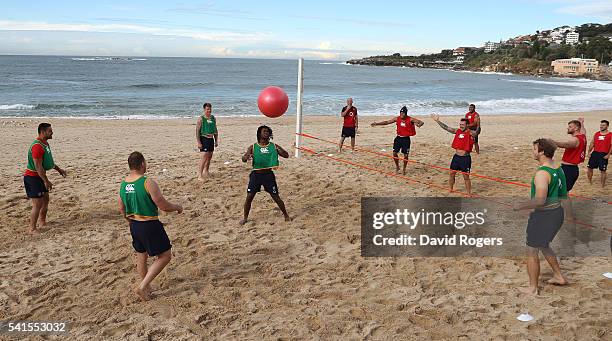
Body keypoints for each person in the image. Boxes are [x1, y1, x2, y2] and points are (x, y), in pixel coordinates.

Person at [118, 151, 183, 301]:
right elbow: (163, 205)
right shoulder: (147, 182)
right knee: (165, 256)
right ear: (142, 164)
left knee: (141, 255)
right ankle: (142, 286)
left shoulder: (124, 184)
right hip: (149, 224)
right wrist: (177, 207)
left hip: (134, 224)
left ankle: (145, 286)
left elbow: (121, 208)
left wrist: (129, 220)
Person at [514, 138, 568, 295]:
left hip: (545, 216)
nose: (533, 151)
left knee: (532, 250)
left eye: (534, 149)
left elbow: (540, 200)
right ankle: (559, 276)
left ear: (542, 151)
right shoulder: (558, 169)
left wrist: (520, 205)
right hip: (557, 213)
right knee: (543, 245)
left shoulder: (542, 173)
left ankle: (532, 288)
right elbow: (564, 195)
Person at [240, 125, 290, 225]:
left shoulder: (273, 146)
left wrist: (279, 151)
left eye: (268, 131)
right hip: (256, 175)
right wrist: (247, 156)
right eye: (264, 131)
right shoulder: (253, 147)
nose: (266, 133)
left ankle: (286, 215)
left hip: (268, 175)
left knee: (276, 197)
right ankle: (245, 218)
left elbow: (286, 155)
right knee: (249, 197)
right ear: (259, 134)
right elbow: (243, 159)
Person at [23, 123, 67, 235]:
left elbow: (48, 162)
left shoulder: (45, 144)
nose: (52, 132)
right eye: (50, 131)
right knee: (37, 204)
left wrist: (59, 169)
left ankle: (42, 222)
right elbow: (38, 167)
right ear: (43, 132)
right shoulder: (37, 146)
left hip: (40, 176)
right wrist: (46, 181)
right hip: (33, 177)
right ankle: (32, 229)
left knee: (46, 199)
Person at [431, 114, 478, 195]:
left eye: (463, 125)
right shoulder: (457, 131)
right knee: (452, 174)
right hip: (456, 157)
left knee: (466, 177)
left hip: (465, 158)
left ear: (467, 125)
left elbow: (476, 132)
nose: (461, 126)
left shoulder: (470, 133)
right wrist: (437, 121)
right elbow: (446, 128)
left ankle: (469, 193)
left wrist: (478, 123)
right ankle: (450, 189)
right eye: (460, 124)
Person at [371, 106, 424, 174]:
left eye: (403, 113)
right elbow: (387, 122)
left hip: (406, 139)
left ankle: (404, 168)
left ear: (406, 113)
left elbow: (421, 122)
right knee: (394, 153)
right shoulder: (397, 118)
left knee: (405, 155)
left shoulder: (411, 119)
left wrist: (419, 125)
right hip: (398, 138)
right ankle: (397, 166)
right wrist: (377, 124)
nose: (401, 114)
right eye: (400, 113)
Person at [553, 118, 587, 192]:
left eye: (570, 127)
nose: (568, 128)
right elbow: (583, 131)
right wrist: (581, 123)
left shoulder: (575, 140)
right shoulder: (583, 136)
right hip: (571, 169)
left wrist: (553, 142)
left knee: (563, 193)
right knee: (564, 193)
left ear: (576, 128)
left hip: (568, 170)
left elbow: (566, 144)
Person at [195, 102, 219, 180]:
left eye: (210, 109)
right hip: (204, 138)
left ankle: (206, 171)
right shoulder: (201, 119)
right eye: (207, 109)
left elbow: (215, 130)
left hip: (211, 139)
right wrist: (199, 142)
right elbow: (197, 131)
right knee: (204, 156)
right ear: (204, 109)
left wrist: (216, 140)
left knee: (210, 156)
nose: (209, 110)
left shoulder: (213, 118)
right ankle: (200, 175)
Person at [587, 120, 611, 187]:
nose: (601, 126)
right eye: (601, 125)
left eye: (603, 125)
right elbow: (592, 143)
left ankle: (602, 185)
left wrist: (608, 154)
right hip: (595, 153)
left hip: (603, 154)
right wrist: (589, 152)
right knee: (589, 168)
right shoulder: (597, 133)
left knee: (603, 171)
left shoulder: (610, 135)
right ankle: (590, 181)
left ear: (607, 126)